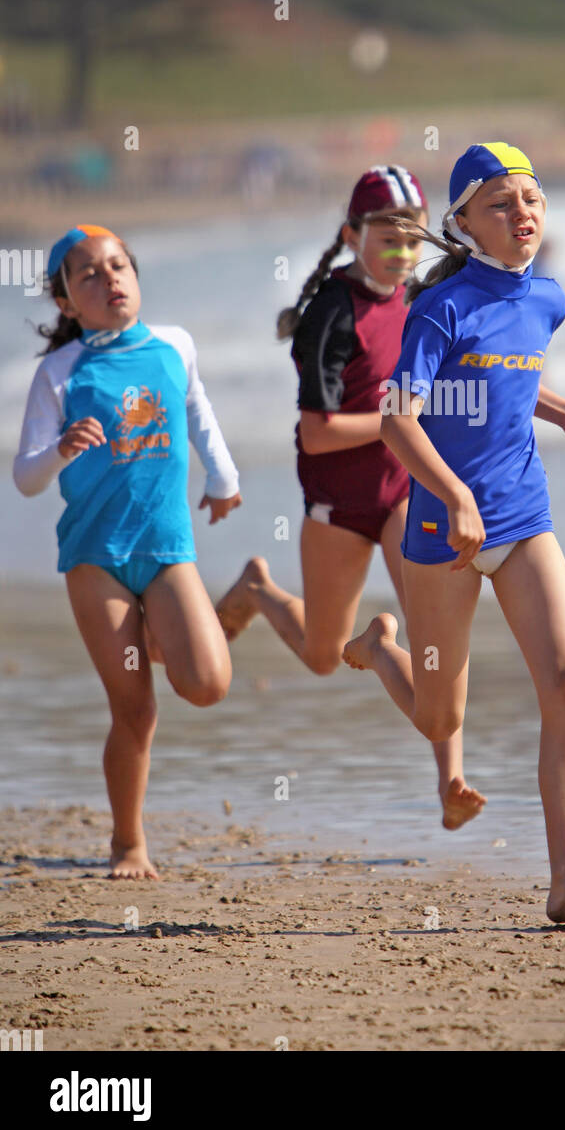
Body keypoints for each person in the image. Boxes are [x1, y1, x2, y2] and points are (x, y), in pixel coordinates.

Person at [342, 143, 565, 922]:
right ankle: (379, 651)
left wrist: (563, 411)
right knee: (441, 718)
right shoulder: (438, 309)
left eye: (532, 199)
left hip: (521, 516)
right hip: (445, 531)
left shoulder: (547, 299)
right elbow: (397, 418)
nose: (524, 214)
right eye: (502, 204)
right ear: (464, 222)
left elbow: (508, 370)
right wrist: (451, 496)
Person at [215, 167, 487, 831]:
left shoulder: (423, 300)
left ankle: (451, 781)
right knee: (320, 655)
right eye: (386, 237)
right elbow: (319, 431)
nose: (401, 250)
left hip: (403, 493)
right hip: (337, 502)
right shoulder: (332, 313)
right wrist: (401, 419)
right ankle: (258, 590)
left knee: (431, 638)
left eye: (411, 235)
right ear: (350, 236)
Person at [13, 224, 242, 881]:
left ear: (135, 276)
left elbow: (197, 407)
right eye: (88, 273)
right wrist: (60, 450)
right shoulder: (59, 374)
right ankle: (128, 843)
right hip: (96, 556)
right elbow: (26, 479)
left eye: (118, 266)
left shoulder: (175, 344)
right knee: (135, 708)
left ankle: (222, 605)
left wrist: (223, 479)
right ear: (64, 302)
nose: (109, 278)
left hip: (168, 548)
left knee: (206, 683)